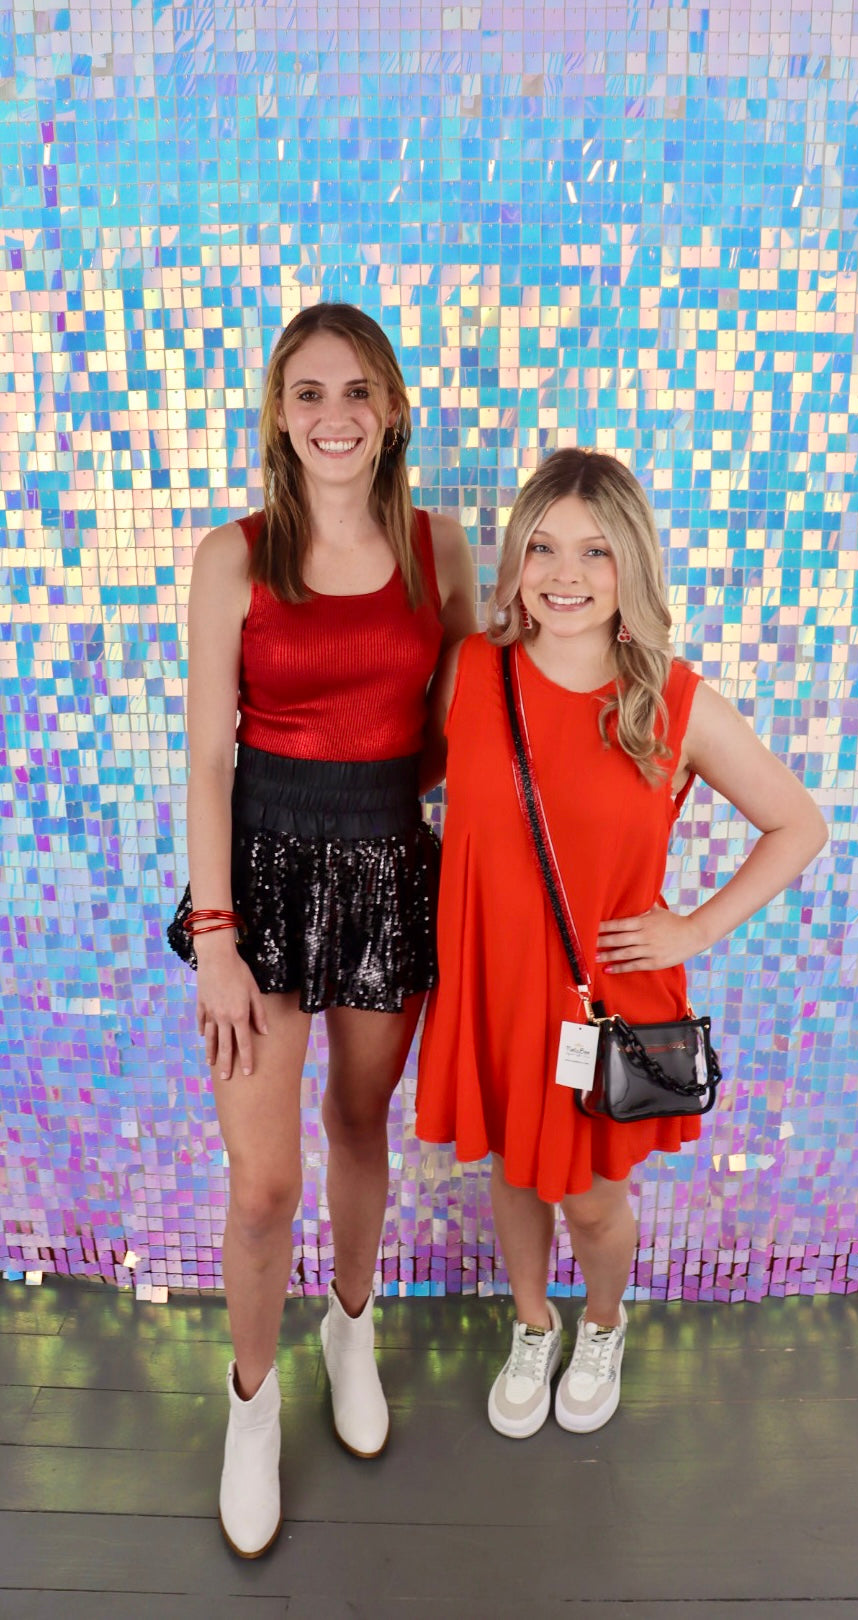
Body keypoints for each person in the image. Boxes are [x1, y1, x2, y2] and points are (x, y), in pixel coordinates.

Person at [415, 448, 827, 1441]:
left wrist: (695, 927)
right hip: (493, 987)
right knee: (514, 1174)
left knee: (595, 1204)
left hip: (600, 1002)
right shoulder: (472, 671)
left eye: (595, 551)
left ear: (630, 565)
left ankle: (602, 1322)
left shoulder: (672, 702)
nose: (565, 574)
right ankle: (532, 1324)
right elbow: (408, 782)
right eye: (543, 547)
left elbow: (800, 825)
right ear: (516, 561)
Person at [167, 302, 476, 1556]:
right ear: (279, 414)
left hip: (389, 868)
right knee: (263, 1185)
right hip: (260, 879)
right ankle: (251, 1407)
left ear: (392, 409)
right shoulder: (232, 556)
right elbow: (207, 760)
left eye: (357, 392)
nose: (335, 415)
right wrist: (217, 936)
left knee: (359, 1123)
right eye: (309, 392)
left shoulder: (441, 549)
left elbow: (460, 736)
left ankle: (352, 1328)